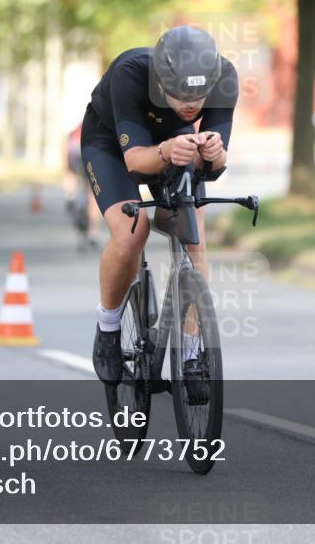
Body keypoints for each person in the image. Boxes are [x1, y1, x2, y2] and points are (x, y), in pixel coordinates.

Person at [80, 25, 238, 385]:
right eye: (180, 94)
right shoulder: (130, 74)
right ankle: (108, 327)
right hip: (111, 143)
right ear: (161, 82)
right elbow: (136, 161)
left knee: (194, 235)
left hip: (174, 140)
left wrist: (213, 153)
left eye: (199, 95)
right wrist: (167, 151)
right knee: (132, 231)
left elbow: (214, 165)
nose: (191, 104)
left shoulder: (225, 76)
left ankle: (194, 354)